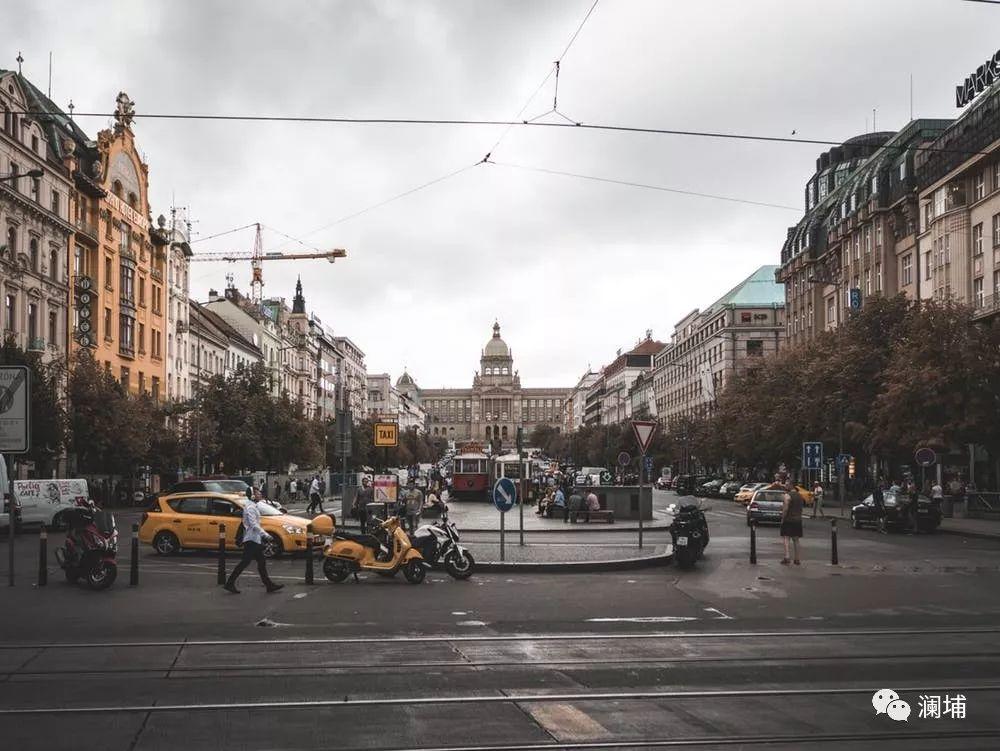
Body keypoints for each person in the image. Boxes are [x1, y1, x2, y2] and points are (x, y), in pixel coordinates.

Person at [224, 488, 283, 594]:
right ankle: (229, 583)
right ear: (252, 496)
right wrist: (265, 534)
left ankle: (269, 585)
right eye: (258, 493)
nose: (260, 495)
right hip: (251, 540)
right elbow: (253, 524)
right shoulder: (250, 507)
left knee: (260, 563)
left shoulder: (253, 506)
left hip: (254, 539)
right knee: (246, 563)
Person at [780, 486, 804, 565]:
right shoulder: (800, 496)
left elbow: (786, 507)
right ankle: (797, 559)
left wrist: (783, 517)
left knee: (786, 538)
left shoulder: (787, 495)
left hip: (789, 519)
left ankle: (787, 557)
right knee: (796, 539)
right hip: (798, 520)